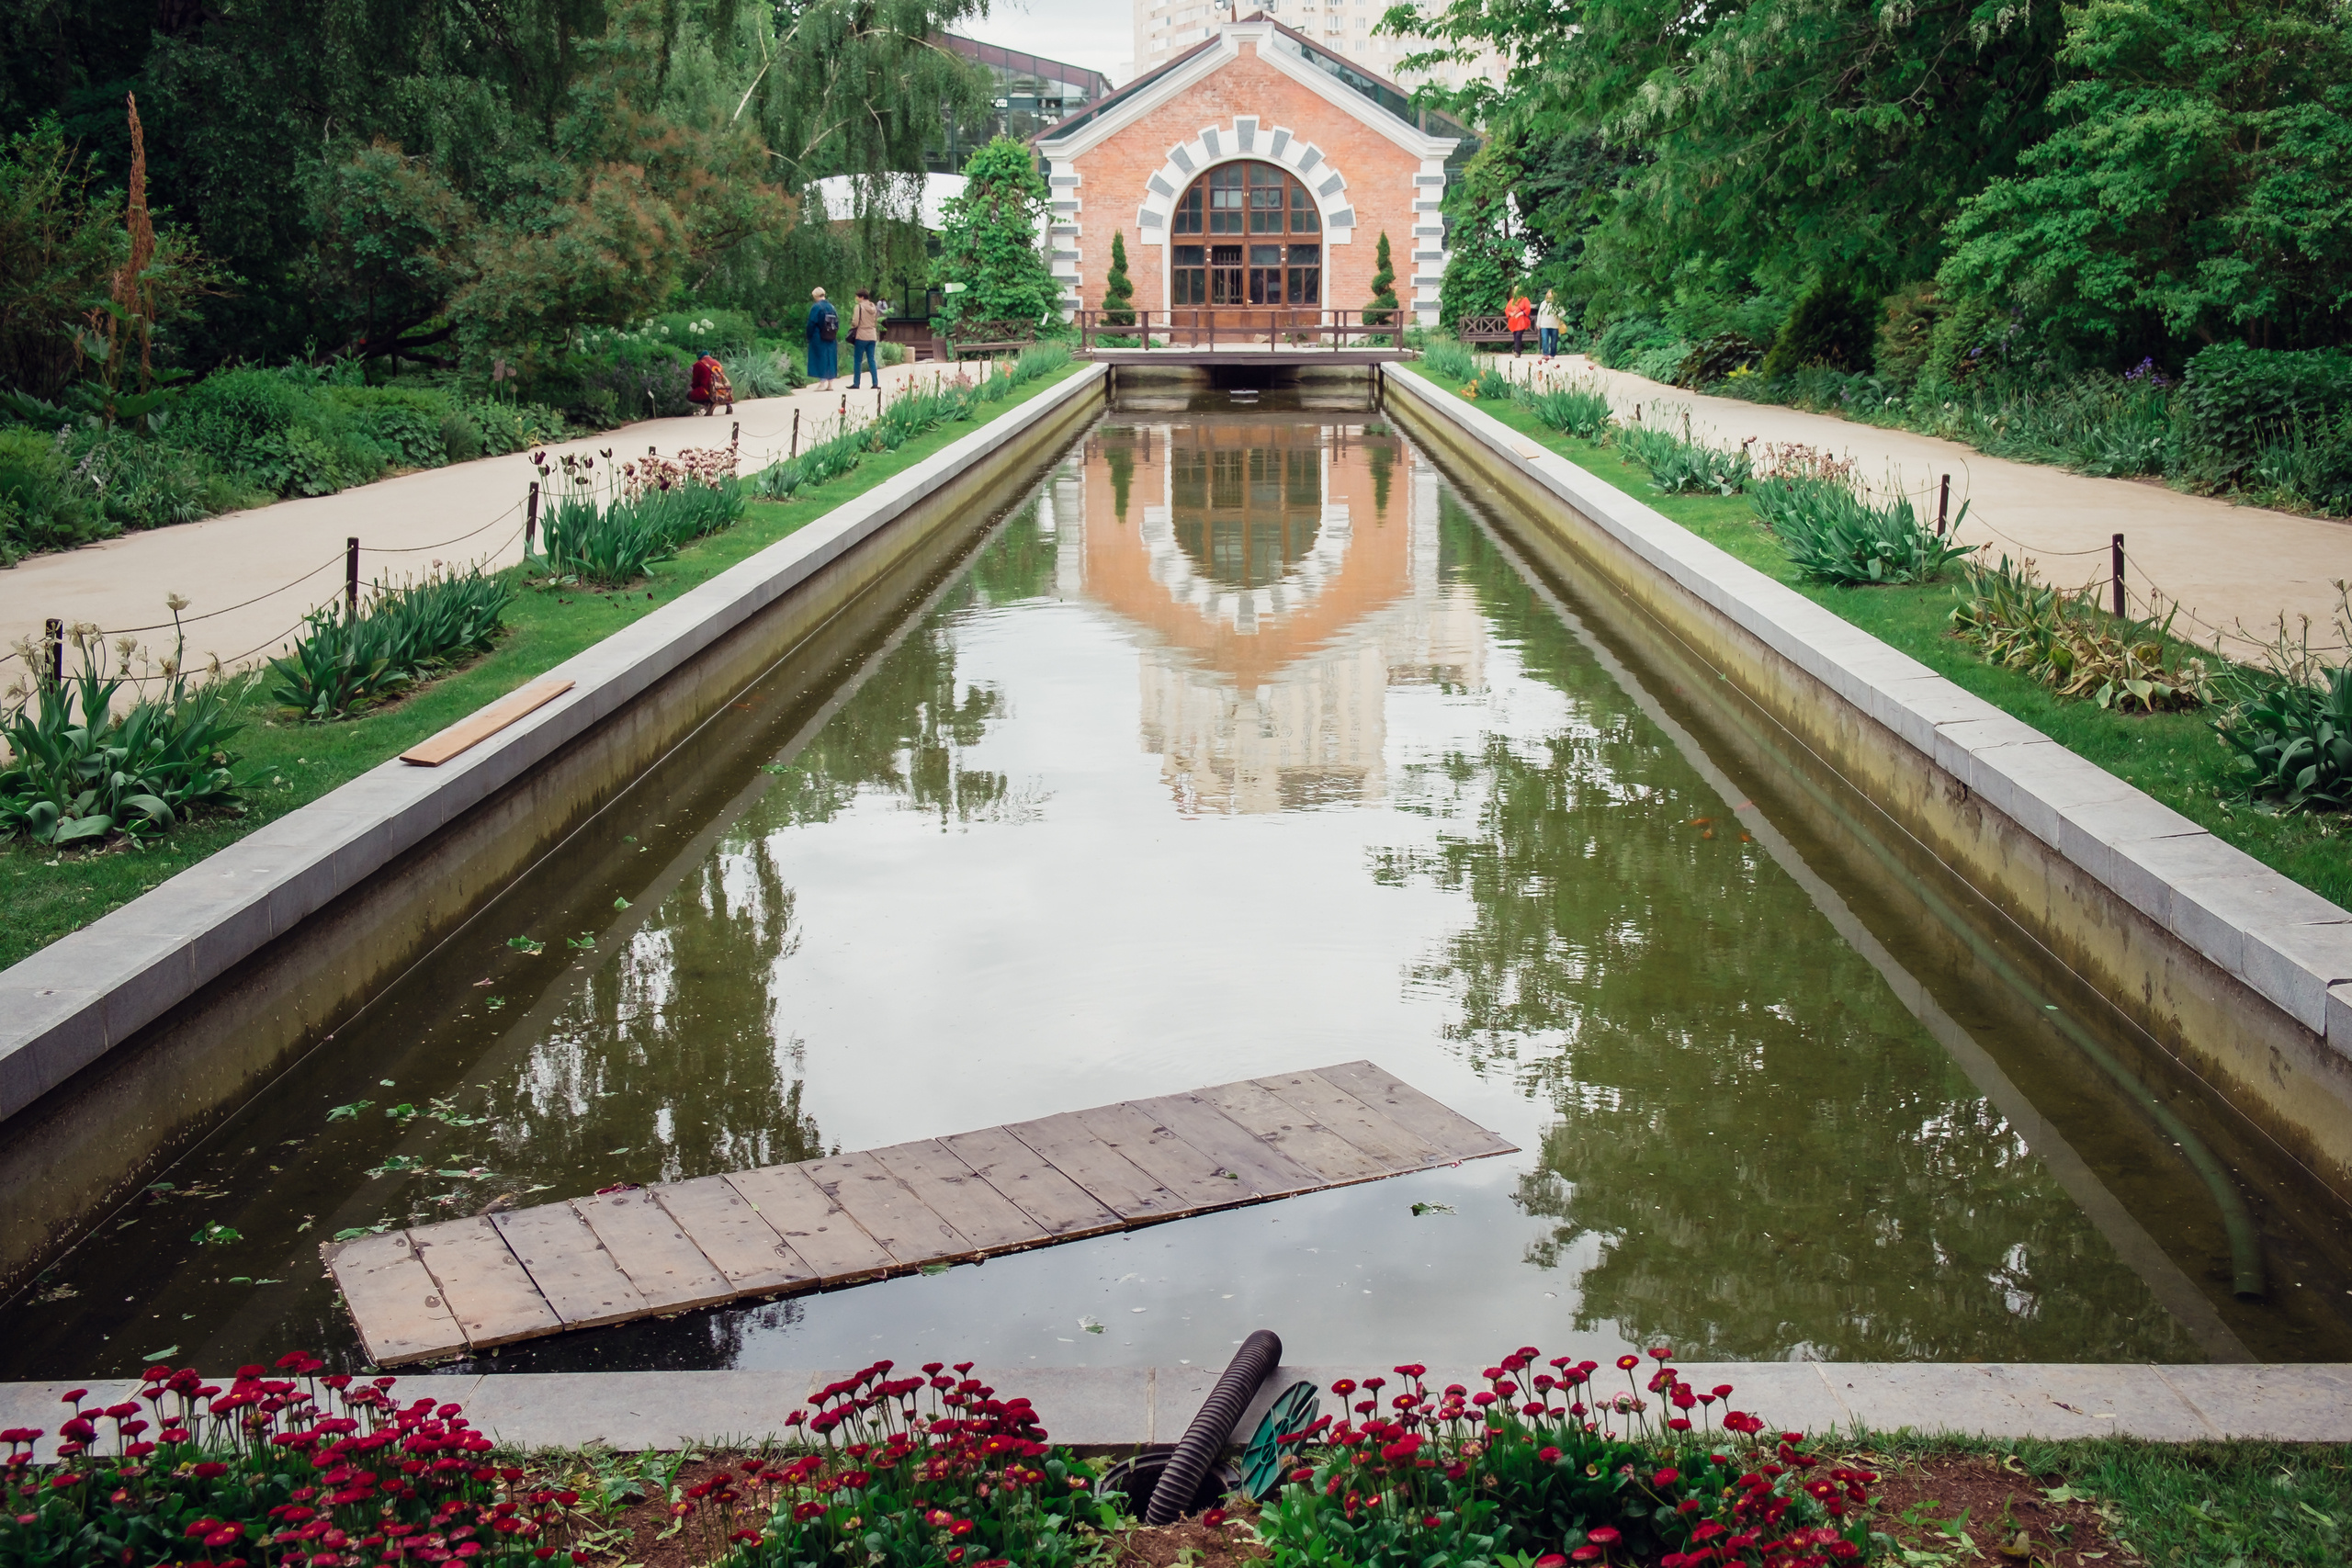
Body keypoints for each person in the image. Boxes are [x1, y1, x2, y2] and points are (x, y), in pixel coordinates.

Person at [806, 288, 840, 388]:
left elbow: (811, 323)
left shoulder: (816, 307)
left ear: (815, 296)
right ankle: (830, 383)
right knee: (830, 358)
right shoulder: (832, 307)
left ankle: (822, 382)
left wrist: (809, 336)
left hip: (819, 336)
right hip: (831, 336)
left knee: (820, 357)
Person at [848, 287, 881, 389]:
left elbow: (855, 322)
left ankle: (856, 383)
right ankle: (875, 383)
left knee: (858, 360)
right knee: (871, 359)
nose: (856, 299)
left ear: (861, 297)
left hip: (861, 335)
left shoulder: (859, 307)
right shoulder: (873, 307)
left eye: (857, 297)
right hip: (872, 335)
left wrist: (852, 325)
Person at [687, 350, 733, 416]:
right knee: (720, 389)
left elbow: (695, 382)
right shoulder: (718, 363)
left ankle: (709, 403)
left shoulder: (698, 364)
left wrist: (693, 388)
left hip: (708, 391)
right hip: (722, 392)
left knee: (689, 395)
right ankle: (728, 404)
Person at [1505, 287, 1533, 357]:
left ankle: (1517, 351)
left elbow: (1528, 309)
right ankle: (1517, 350)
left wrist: (1521, 313)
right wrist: (1511, 313)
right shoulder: (1512, 301)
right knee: (1515, 335)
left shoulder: (1525, 300)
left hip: (1522, 321)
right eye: (1515, 290)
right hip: (1514, 321)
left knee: (1518, 335)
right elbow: (1507, 310)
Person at [1536, 289, 1564, 361]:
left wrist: (1558, 315)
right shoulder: (1543, 303)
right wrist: (1538, 323)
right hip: (1544, 325)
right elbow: (1540, 314)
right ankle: (1545, 354)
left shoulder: (1557, 304)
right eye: (1548, 293)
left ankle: (1552, 354)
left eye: (1550, 293)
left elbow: (1563, 312)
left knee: (1554, 341)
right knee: (1545, 339)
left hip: (1554, 325)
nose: (1548, 294)